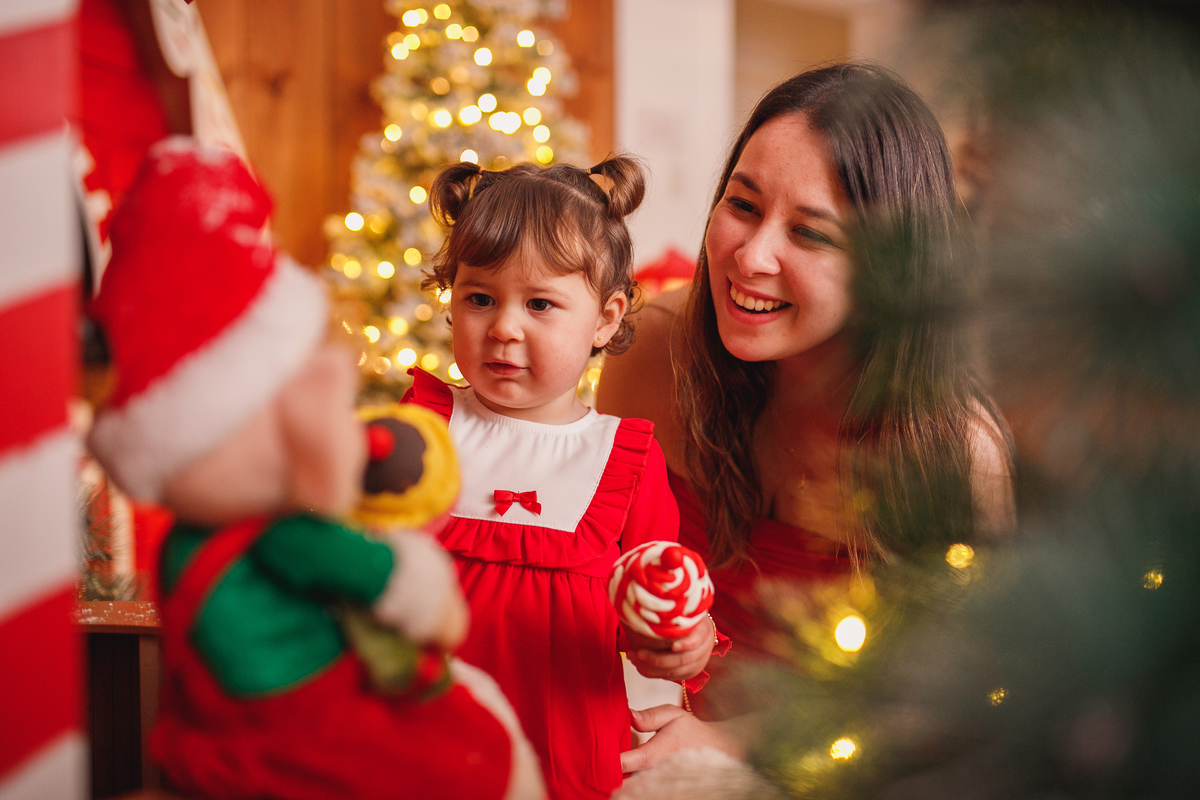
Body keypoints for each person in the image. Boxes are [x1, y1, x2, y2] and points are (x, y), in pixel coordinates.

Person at [597, 62, 1015, 772]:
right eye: (743, 204)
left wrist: (733, 745)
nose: (750, 256)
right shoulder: (656, 350)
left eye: (812, 234)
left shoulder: (951, 454)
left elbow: (956, 700)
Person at [403, 156, 723, 800]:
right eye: (479, 298)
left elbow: (657, 596)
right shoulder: (420, 429)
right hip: (416, 741)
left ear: (606, 317)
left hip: (563, 755)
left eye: (540, 303)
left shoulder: (623, 463)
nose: (503, 327)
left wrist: (681, 643)